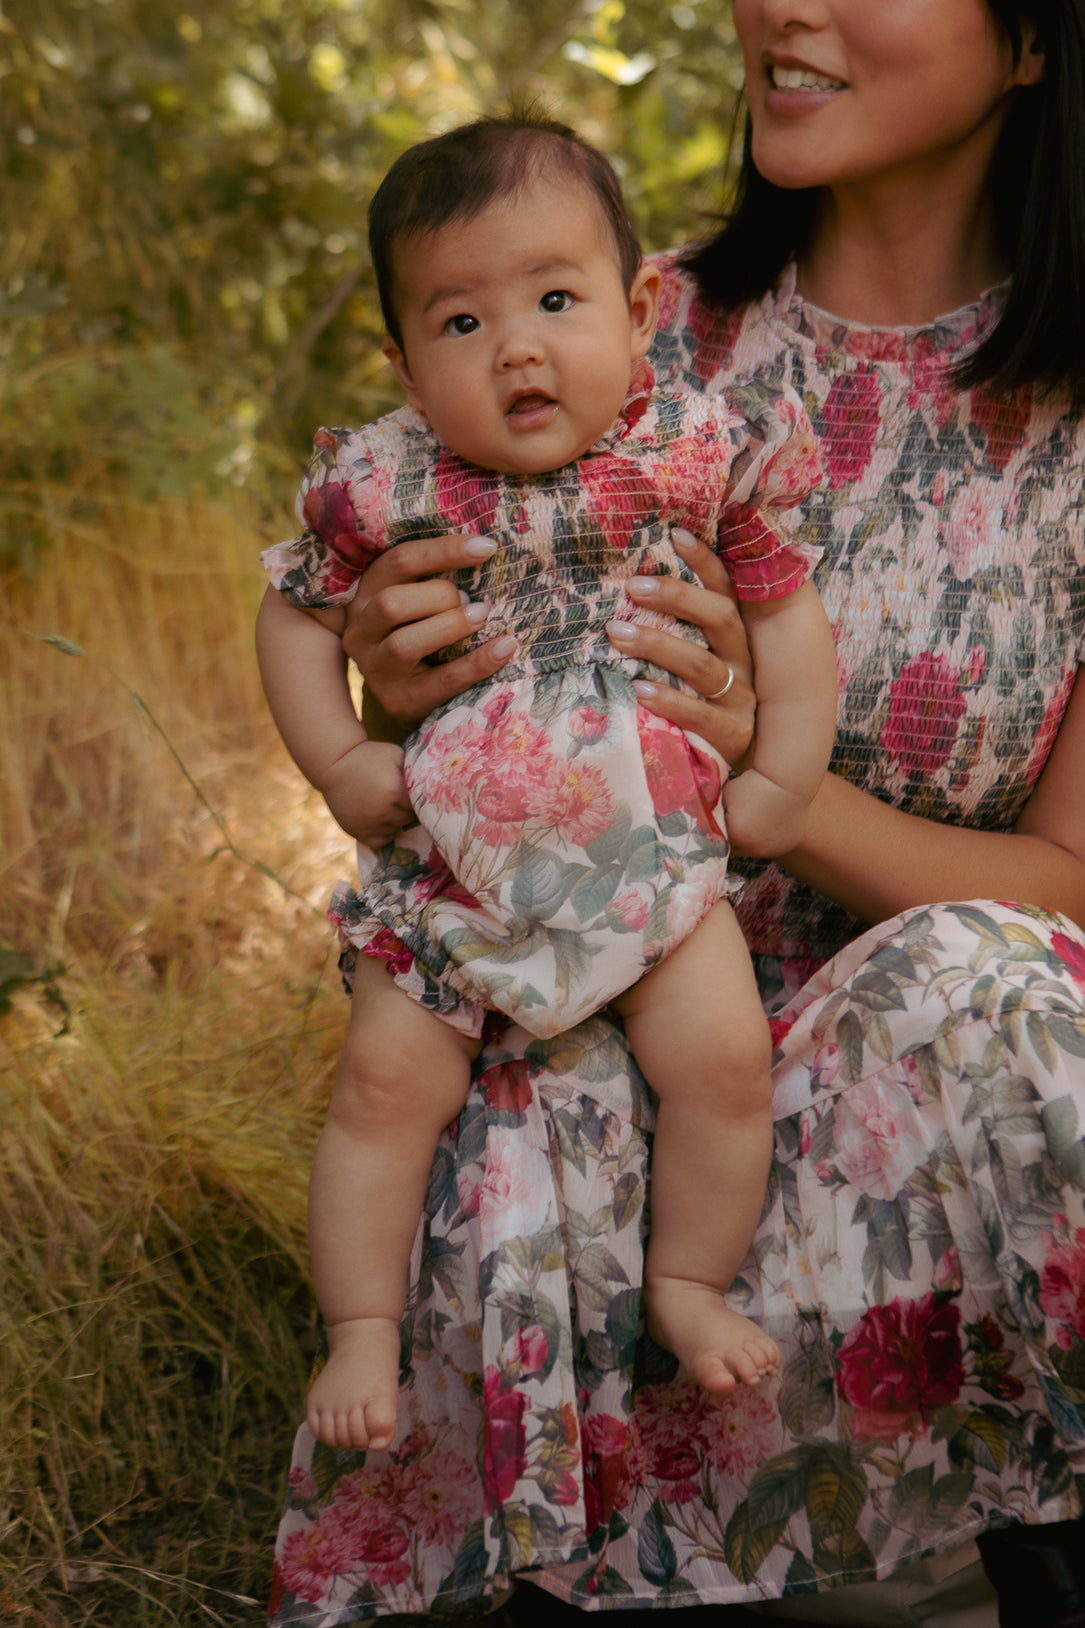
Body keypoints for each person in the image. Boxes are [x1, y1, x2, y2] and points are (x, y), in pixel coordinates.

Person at [268, 2, 1085, 1624]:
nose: (783, 1)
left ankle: (962, 1539)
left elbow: (1071, 890)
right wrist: (385, 684)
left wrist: (778, 791)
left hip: (880, 1114)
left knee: (995, 989)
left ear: (1035, 39)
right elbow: (425, 756)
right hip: (577, 1067)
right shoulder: (606, 325)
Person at [256, 115, 836, 1455]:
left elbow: (786, 613)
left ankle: (688, 1288)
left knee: (722, 1067)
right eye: (458, 323)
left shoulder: (695, 451)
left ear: (638, 311)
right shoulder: (384, 480)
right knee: (382, 1094)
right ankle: (360, 1325)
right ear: (401, 361)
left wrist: (785, 783)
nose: (514, 346)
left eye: (556, 300)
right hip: (455, 871)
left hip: (646, 860)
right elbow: (289, 616)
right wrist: (342, 761)